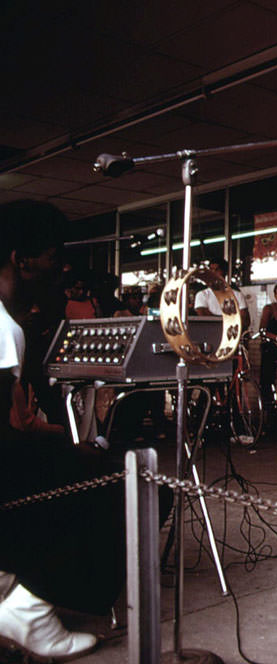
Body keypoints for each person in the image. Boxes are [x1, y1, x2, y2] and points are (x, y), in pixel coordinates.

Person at [0, 200, 112, 660]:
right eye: (53, 256)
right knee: (124, 482)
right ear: (21, 260)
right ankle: (30, 610)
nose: (62, 267)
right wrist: (70, 450)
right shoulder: (4, 329)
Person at [193, 258, 251, 332]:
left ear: (224, 272)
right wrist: (231, 320)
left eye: (217, 270)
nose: (213, 273)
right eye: (211, 270)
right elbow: (204, 317)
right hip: (209, 334)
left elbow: (245, 321)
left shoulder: (237, 295)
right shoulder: (202, 295)